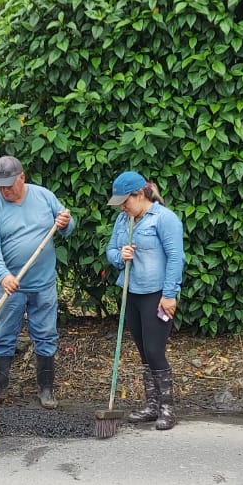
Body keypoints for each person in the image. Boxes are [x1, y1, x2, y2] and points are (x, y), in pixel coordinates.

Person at [0, 156, 73, 408]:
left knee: (46, 335)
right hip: (10, 286)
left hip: (43, 284)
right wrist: (3, 275)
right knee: (5, 335)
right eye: (0, 186)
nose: (4, 190)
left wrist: (66, 223)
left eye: (9, 185)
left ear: (22, 177)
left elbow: (67, 225)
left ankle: (46, 389)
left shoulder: (44, 196)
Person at [105, 170, 185, 430]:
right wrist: (121, 255)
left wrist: (169, 295)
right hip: (132, 292)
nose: (122, 207)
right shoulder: (123, 219)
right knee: (143, 351)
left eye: (125, 201)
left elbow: (176, 258)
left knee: (154, 350)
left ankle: (167, 409)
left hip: (156, 295)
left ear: (139, 194)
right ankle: (152, 405)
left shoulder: (164, 218)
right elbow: (111, 251)